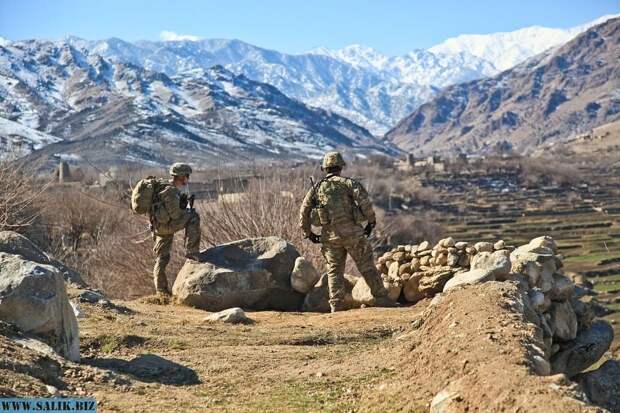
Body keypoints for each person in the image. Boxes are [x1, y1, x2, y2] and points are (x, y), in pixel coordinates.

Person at [298, 152, 395, 312]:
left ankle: (336, 305)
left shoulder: (317, 188)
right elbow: (365, 203)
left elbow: (304, 211)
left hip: (330, 237)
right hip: (353, 235)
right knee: (366, 265)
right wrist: (370, 222)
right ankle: (382, 299)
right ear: (341, 167)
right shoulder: (349, 183)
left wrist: (308, 233)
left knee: (334, 271)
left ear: (324, 168)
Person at [151, 163, 201, 296]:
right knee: (194, 217)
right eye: (187, 176)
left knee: (162, 257)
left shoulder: (164, 187)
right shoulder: (171, 191)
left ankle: (161, 291)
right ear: (181, 176)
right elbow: (175, 215)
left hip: (158, 227)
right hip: (166, 227)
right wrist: (184, 208)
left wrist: (182, 205)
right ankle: (192, 252)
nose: (188, 179)